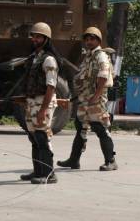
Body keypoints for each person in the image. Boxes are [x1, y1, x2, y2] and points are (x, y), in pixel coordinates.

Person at [57, 27, 118, 171]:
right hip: (85, 99)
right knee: (80, 128)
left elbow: (103, 77)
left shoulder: (101, 56)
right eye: (87, 39)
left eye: (92, 39)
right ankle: (74, 160)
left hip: (95, 100)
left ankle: (111, 161)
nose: (89, 42)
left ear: (98, 40)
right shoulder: (88, 56)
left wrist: (95, 96)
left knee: (100, 128)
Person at [19, 22, 61, 184]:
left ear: (46, 39)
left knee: (42, 137)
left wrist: (43, 109)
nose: (35, 39)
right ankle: (37, 171)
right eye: (33, 36)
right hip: (32, 103)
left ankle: (49, 174)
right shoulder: (34, 58)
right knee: (34, 137)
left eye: (38, 37)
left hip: (43, 102)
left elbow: (51, 86)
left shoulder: (49, 60)